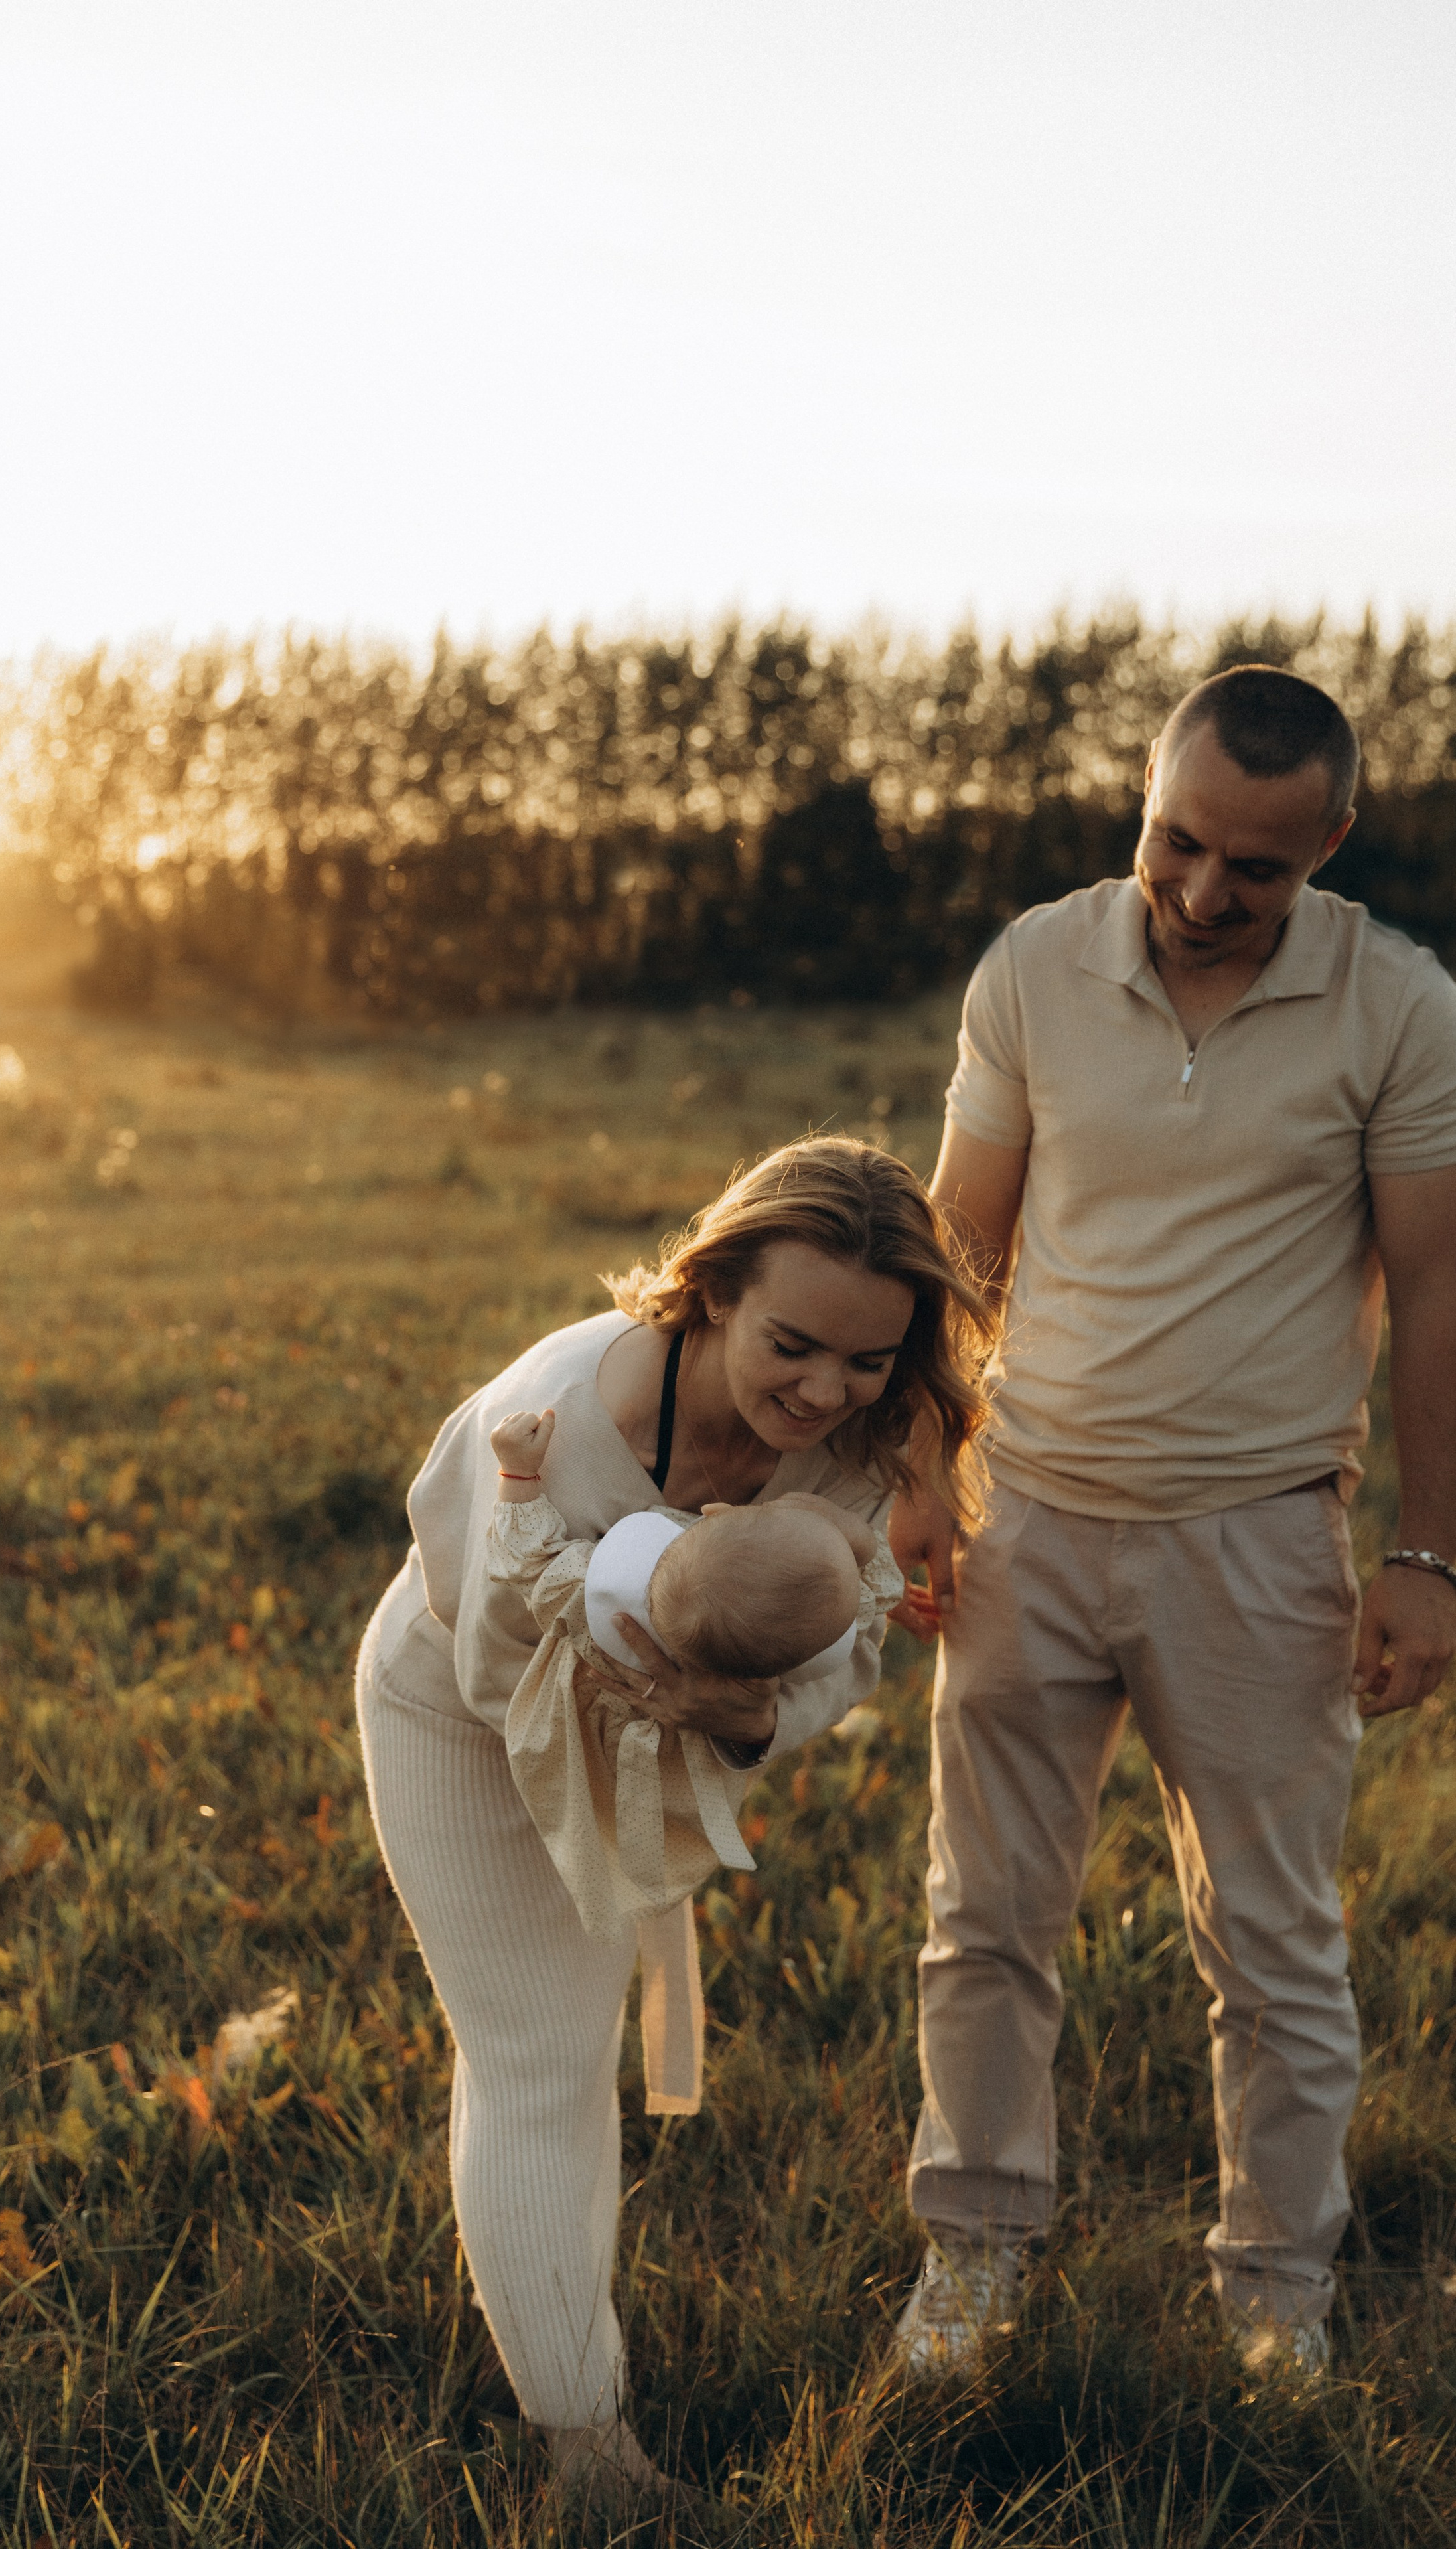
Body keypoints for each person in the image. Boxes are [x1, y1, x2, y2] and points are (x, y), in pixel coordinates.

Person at [887, 664, 1456, 2380]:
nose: (1206, 894)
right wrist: (921, 1469)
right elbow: (957, 1247)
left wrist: (1428, 1558)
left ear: (1334, 846)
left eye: (1259, 870)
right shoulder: (1036, 970)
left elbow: (1434, 1291)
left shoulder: (1402, 1007)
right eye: (1177, 843)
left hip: (1262, 1540)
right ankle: (975, 2262)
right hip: (1030, 1524)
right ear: (1144, 798)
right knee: (985, 1918)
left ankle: (1277, 2295)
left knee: (1275, 1946)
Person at [354, 1137, 993, 2510]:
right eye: (793, 1344)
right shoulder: (556, 1415)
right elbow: (482, 1642)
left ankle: (560, 2363)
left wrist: (749, 1719)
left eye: (869, 1360)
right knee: (538, 2052)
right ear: (708, 1289)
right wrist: (663, 1672)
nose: (825, 1391)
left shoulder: (854, 1448)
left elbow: (845, 1644)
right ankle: (588, 2455)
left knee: (564, 2050)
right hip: (461, 1712)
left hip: (653, 1728)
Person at [485, 1404, 901, 1968]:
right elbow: (879, 1585)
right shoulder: (772, 1668)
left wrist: (517, 1471)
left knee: (564, 1825)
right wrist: (852, 1536)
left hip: (565, 1739)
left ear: (714, 1512)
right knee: (641, 1842)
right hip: (675, 1776)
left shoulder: (604, 1600)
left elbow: (524, 1551)